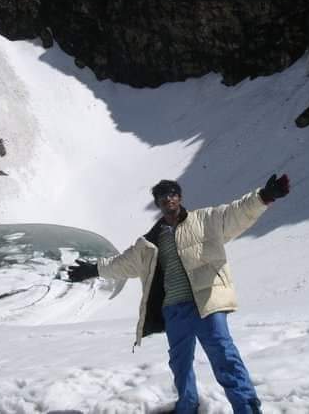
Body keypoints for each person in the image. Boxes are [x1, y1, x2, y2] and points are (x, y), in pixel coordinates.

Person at [67, 174, 290, 414]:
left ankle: (246, 408)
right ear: (158, 203)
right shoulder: (150, 242)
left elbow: (236, 213)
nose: (168, 199)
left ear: (180, 197)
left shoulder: (205, 220)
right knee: (180, 364)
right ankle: (187, 406)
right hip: (173, 310)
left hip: (205, 303)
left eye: (172, 193)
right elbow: (123, 263)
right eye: (162, 196)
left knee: (224, 357)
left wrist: (265, 196)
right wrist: (94, 269)